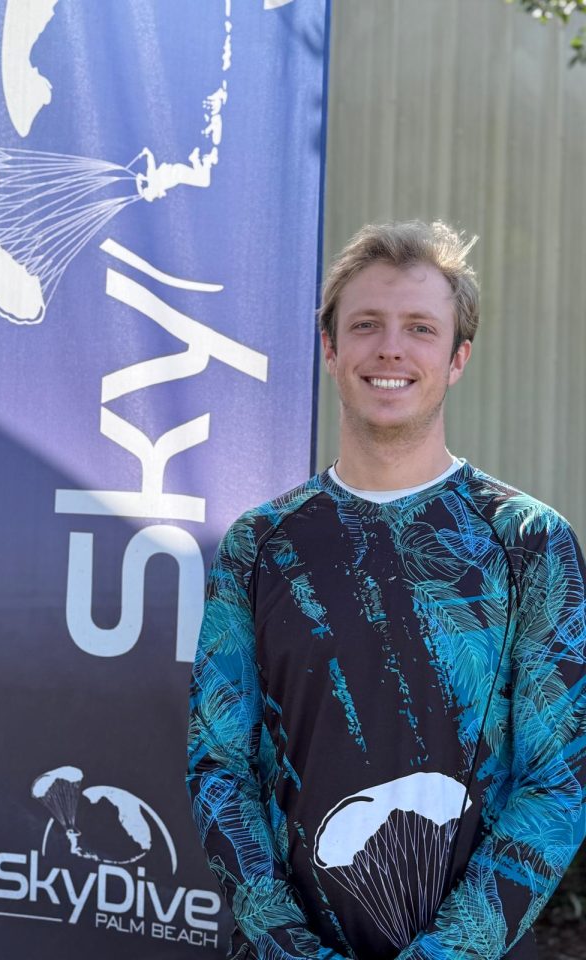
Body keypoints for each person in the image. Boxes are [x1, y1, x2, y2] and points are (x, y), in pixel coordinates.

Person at [186, 221, 586, 960]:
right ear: (331, 349)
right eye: (365, 325)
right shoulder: (259, 545)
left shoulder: (529, 542)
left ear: (458, 357)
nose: (391, 349)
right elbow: (219, 767)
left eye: (420, 329)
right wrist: (289, 949)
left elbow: (557, 783)